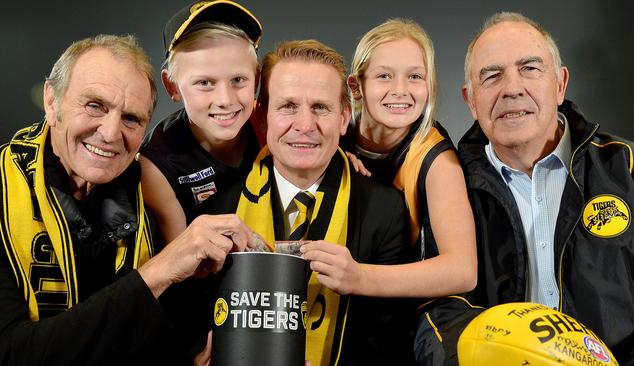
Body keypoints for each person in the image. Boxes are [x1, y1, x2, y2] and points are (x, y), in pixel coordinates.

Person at [0, 34, 256, 365]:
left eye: (131, 118)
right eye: (95, 105)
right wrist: (160, 269)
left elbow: (161, 331)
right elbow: (5, 356)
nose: (111, 133)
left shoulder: (147, 190)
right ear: (52, 102)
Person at [213, 39, 415, 365]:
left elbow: (389, 342)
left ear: (344, 117)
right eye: (288, 106)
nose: (305, 126)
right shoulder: (220, 208)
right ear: (262, 117)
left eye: (320, 107)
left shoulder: (385, 210)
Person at [458, 12, 634, 363]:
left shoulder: (626, 169)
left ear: (560, 84)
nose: (511, 88)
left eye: (530, 69)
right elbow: (438, 311)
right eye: (492, 75)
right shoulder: (448, 187)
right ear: (471, 100)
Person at [304, 18, 476, 299]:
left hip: (403, 311)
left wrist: (360, 277)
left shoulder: (437, 159)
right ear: (356, 86)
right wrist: (331, 154)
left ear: (429, 85)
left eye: (415, 77)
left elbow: (463, 270)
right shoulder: (333, 135)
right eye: (384, 76)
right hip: (328, 298)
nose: (400, 90)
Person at [140, 0, 263, 245]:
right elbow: (180, 264)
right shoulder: (158, 163)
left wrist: (341, 156)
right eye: (205, 83)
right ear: (171, 86)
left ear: (257, 79)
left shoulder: (273, 124)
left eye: (238, 79)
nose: (225, 100)